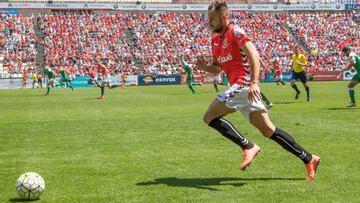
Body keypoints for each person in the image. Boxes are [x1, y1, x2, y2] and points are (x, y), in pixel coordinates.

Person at [196, 0, 319, 181]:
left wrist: (254, 81)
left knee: (209, 116)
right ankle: (309, 158)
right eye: (208, 19)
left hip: (244, 84)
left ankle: (248, 146)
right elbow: (217, 68)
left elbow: (254, 54)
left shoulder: (236, 32)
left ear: (224, 17)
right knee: (269, 130)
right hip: (239, 89)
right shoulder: (215, 40)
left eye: (212, 19)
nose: (209, 23)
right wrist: (204, 67)